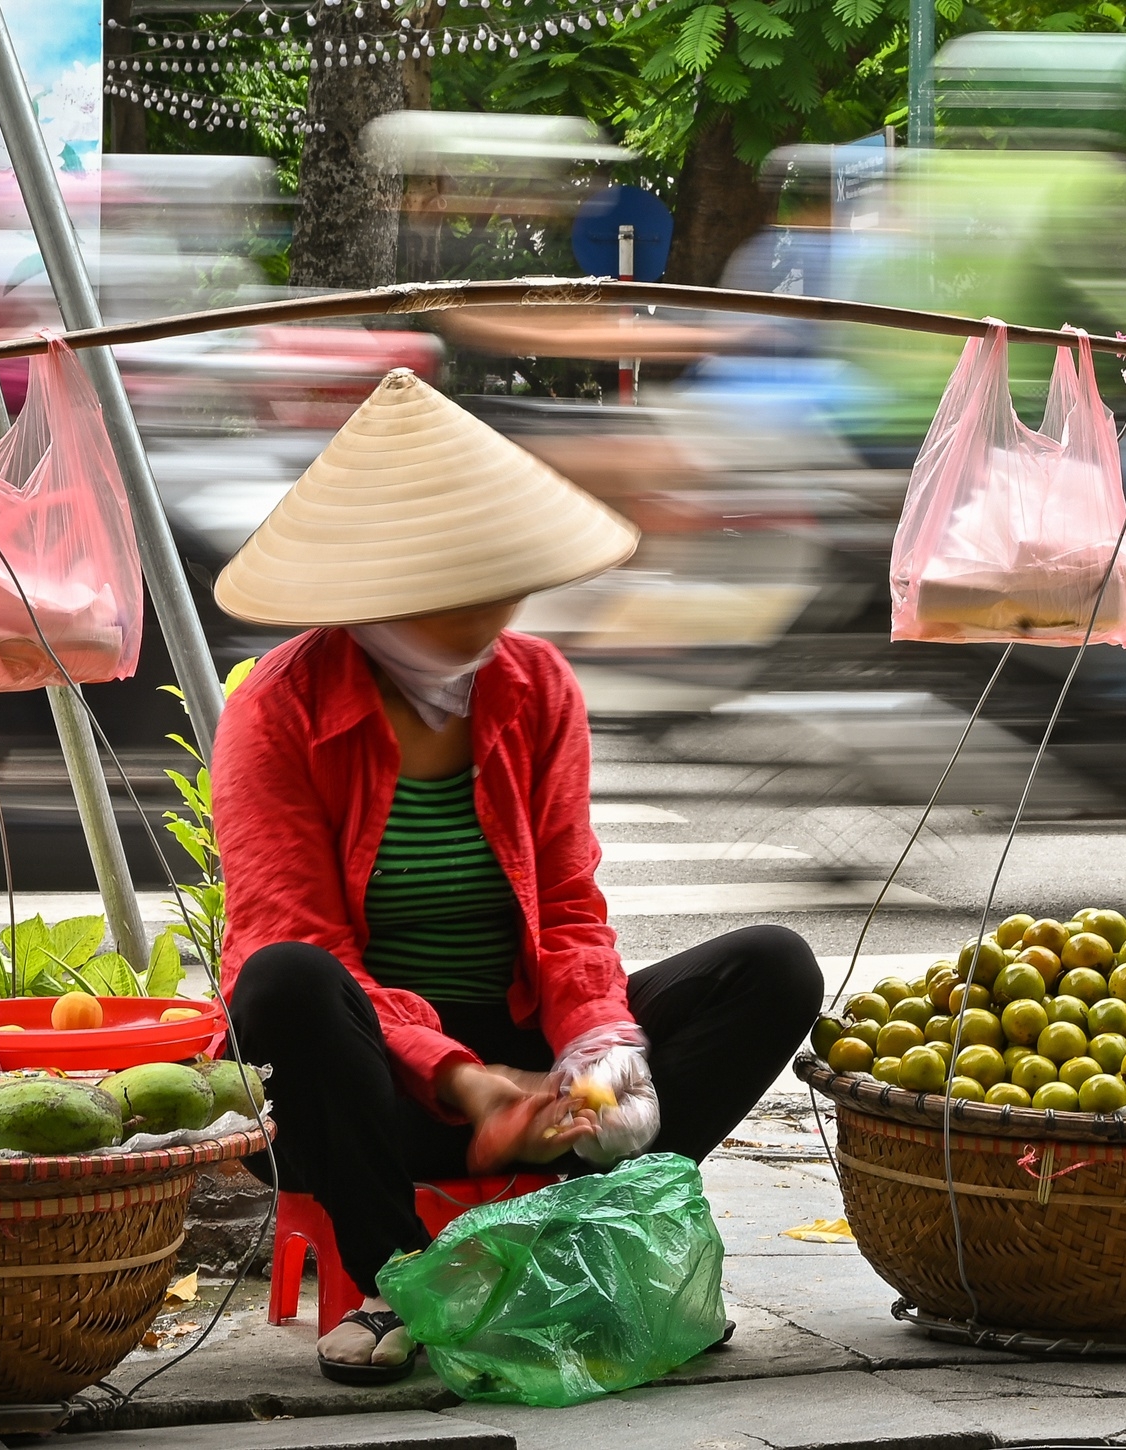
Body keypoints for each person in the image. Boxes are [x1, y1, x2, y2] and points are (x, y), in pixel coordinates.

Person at [209, 369, 824, 1384]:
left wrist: (600, 1053)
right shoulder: (281, 710)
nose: (494, 600)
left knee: (772, 967)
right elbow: (298, 938)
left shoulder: (535, 686)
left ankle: (587, 1243)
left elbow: (571, 910)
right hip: (368, 1094)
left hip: (525, 1060)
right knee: (283, 978)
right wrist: (461, 1077)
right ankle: (394, 1277)